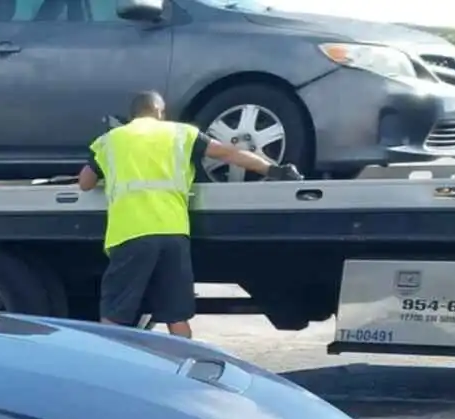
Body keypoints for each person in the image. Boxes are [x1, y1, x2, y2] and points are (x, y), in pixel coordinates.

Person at [77, 91, 298, 338]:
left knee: (115, 313)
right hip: (173, 234)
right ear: (160, 112)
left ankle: (112, 369)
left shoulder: (111, 140)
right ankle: (185, 363)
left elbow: (85, 183)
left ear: (132, 116)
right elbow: (229, 153)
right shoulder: (181, 134)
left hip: (130, 234)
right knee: (176, 315)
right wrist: (272, 169)